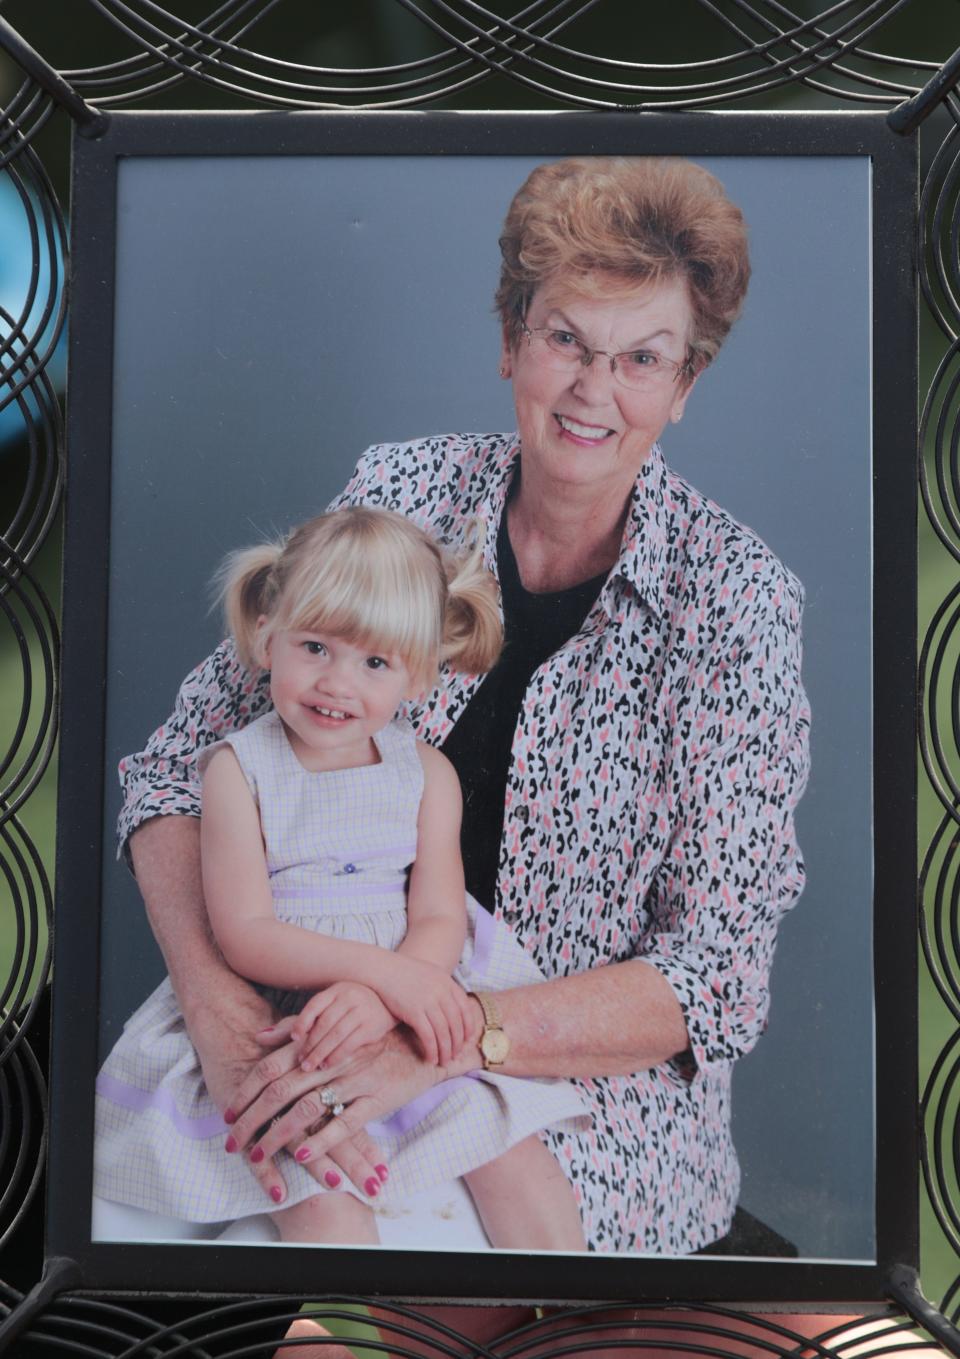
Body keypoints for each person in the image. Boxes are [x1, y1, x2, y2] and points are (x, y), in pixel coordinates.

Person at [113, 154, 810, 1342]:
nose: (596, 388)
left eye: (643, 356)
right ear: (509, 339)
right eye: (565, 339)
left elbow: (717, 973)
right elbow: (179, 766)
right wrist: (223, 1016)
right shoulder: (404, 490)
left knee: (447, 1273)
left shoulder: (737, 602)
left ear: (686, 384)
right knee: (172, 1246)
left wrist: (446, 1036)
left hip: (568, 1087)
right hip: (307, 1011)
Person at [95, 507, 588, 1250]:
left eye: (375, 663)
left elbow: (438, 916)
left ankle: (570, 1326)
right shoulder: (238, 769)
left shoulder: (427, 774)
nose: (337, 683)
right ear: (269, 635)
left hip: (408, 1005)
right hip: (289, 1010)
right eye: (316, 646)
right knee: (321, 1196)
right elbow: (245, 933)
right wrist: (378, 978)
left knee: (516, 1159)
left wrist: (393, 993)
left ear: (420, 674)